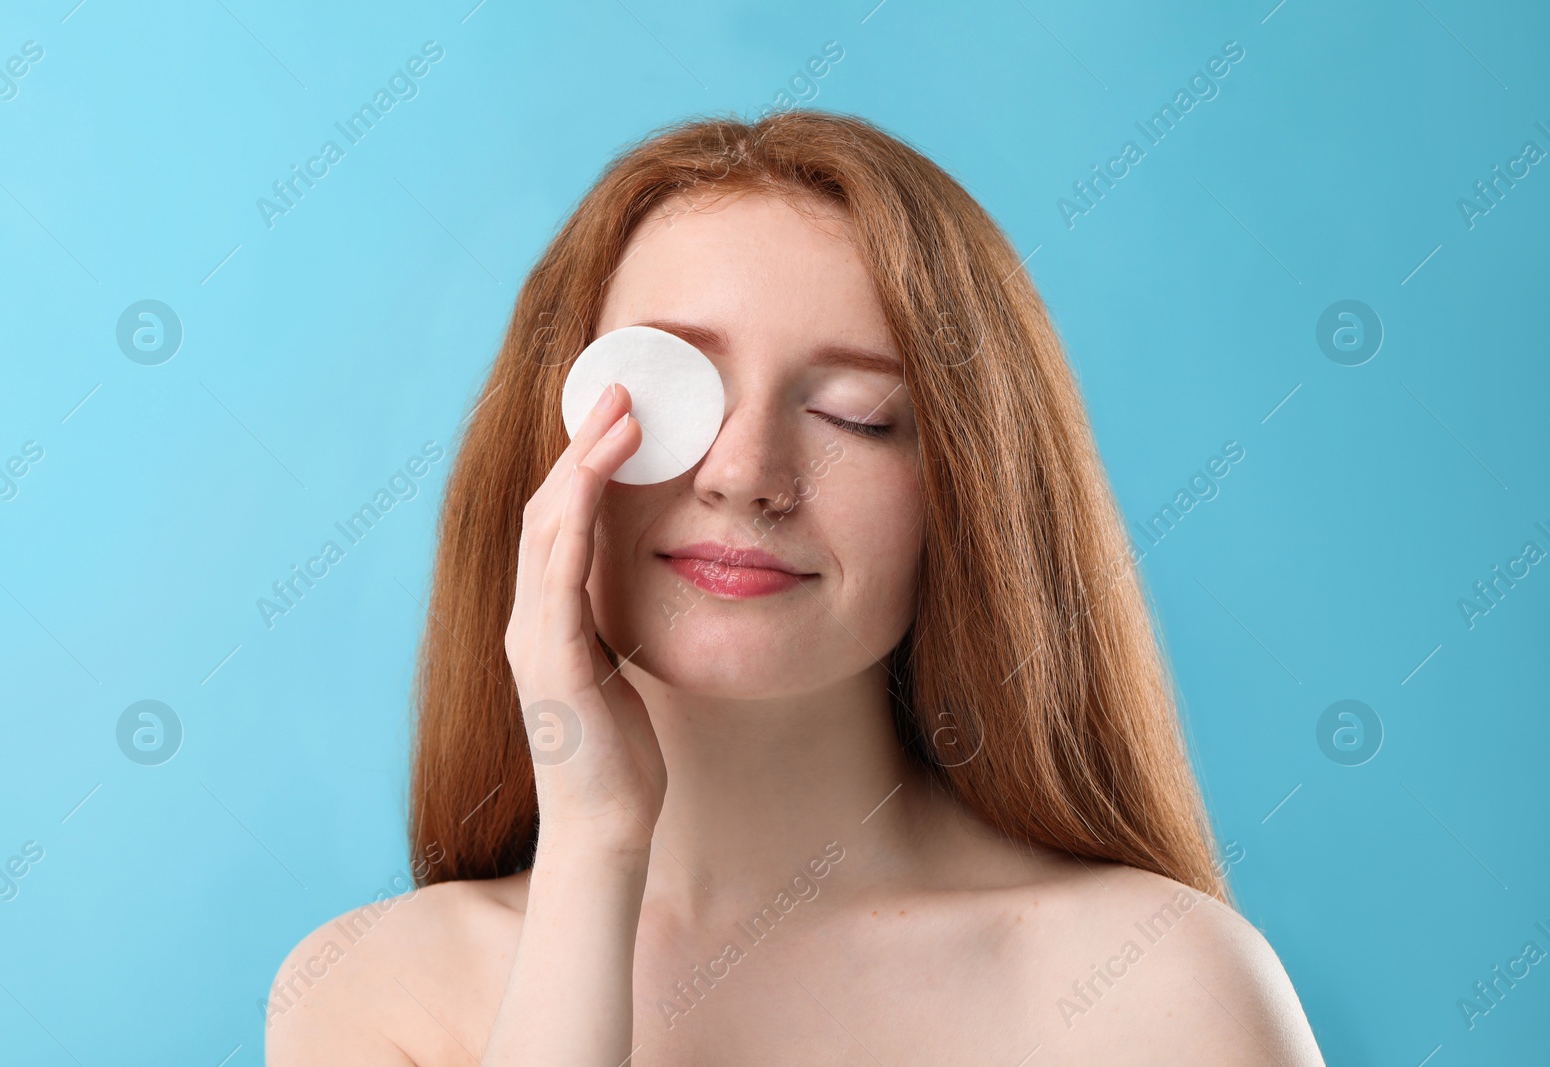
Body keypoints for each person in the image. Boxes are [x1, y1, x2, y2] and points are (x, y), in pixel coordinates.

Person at [266, 109, 1324, 1065]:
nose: (744, 473)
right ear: (545, 448)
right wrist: (593, 844)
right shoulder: (373, 989)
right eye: (672, 391)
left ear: (968, 499)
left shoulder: (1158, 986)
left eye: (859, 415)